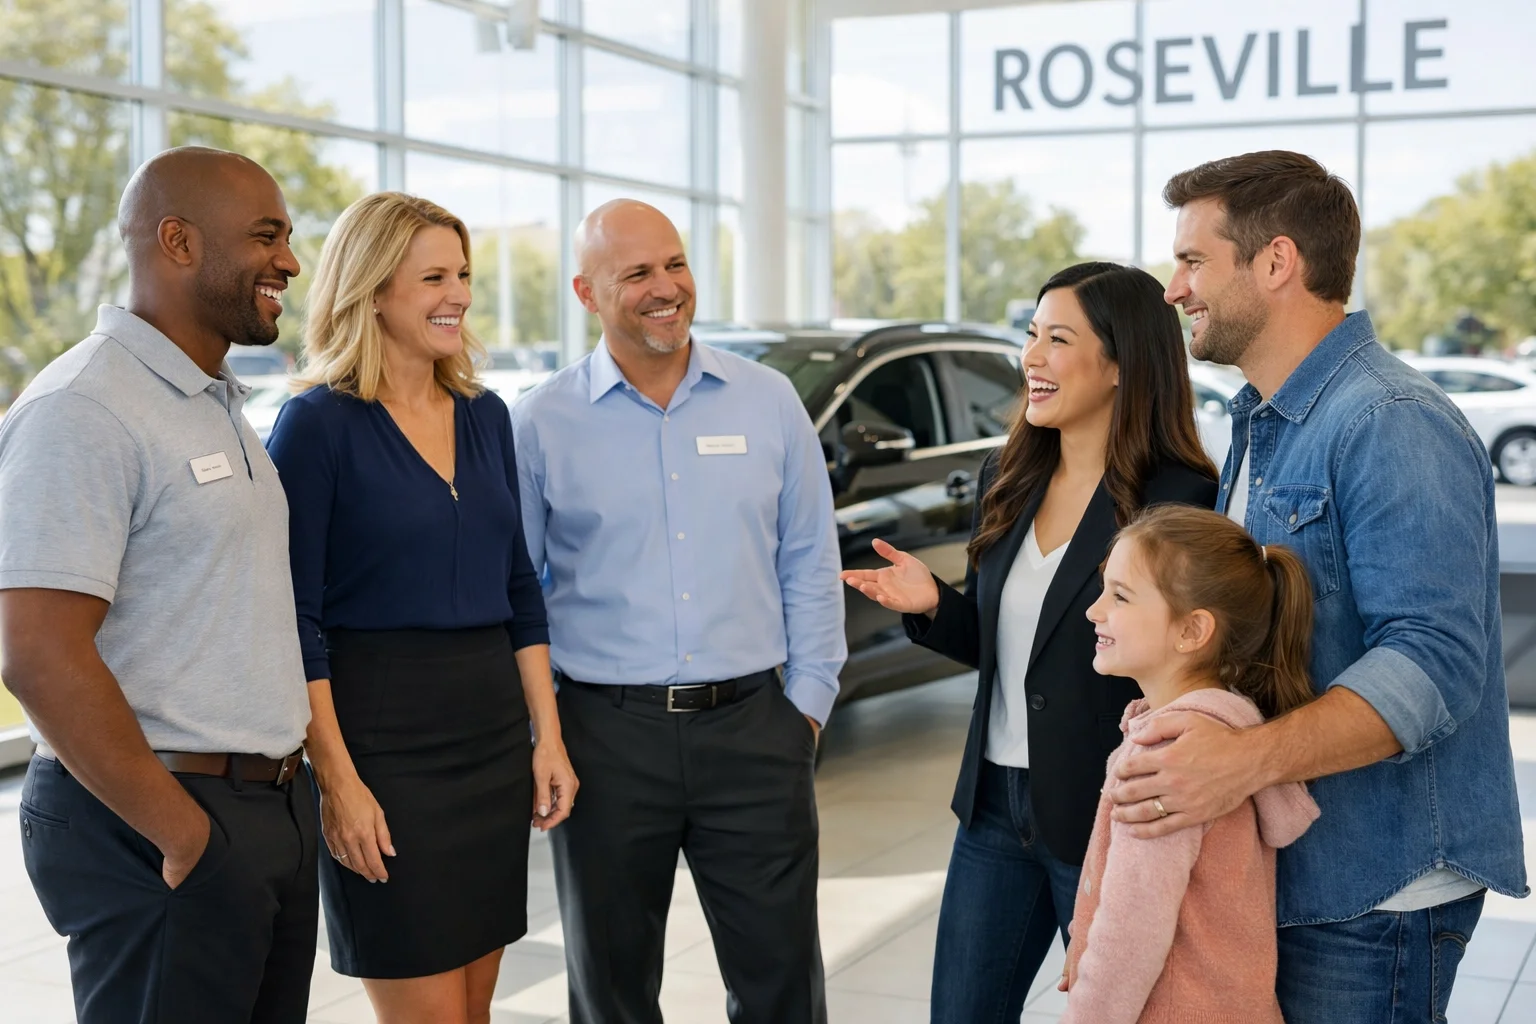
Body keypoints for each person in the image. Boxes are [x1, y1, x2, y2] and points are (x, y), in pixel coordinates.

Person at [1111, 150, 1528, 1021]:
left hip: (1377, 893)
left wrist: (1240, 761)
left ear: (1276, 262)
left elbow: (1433, 661)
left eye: (1193, 261)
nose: (1173, 289)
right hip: (1305, 872)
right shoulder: (1265, 424)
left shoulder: (1389, 420)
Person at [839, 261, 1218, 1022]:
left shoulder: (1177, 498)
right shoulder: (1006, 475)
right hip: (993, 807)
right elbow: (1013, 650)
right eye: (1032, 335)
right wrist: (934, 605)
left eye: (1058, 339)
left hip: (1108, 808)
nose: (1032, 358)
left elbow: (1186, 666)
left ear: (1121, 365)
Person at [0, 147, 317, 1022]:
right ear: (178, 241)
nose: (289, 262)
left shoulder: (212, 399)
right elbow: (37, 652)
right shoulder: (83, 406)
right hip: (160, 817)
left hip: (264, 809)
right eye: (266, 237)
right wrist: (182, 836)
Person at [510, 199, 844, 1024]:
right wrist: (546, 732)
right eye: (637, 274)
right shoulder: (541, 421)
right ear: (587, 293)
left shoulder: (767, 401)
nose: (666, 287)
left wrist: (805, 708)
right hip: (605, 740)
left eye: (676, 264)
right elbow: (519, 591)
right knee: (612, 993)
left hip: (755, 731)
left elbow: (809, 557)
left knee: (782, 988)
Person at [265, 191, 576, 1024]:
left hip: (490, 747)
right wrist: (338, 784)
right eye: (434, 278)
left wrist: (547, 737)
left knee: (473, 1011)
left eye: (463, 275)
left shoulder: (485, 415)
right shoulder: (316, 425)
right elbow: (294, 622)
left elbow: (520, 590)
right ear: (372, 292)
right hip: (384, 756)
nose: (459, 296)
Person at [1061, 506, 1320, 1023]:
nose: (1094, 610)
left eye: (1120, 596)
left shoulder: (1167, 754)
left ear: (1191, 630)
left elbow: (1130, 934)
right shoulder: (1229, 728)